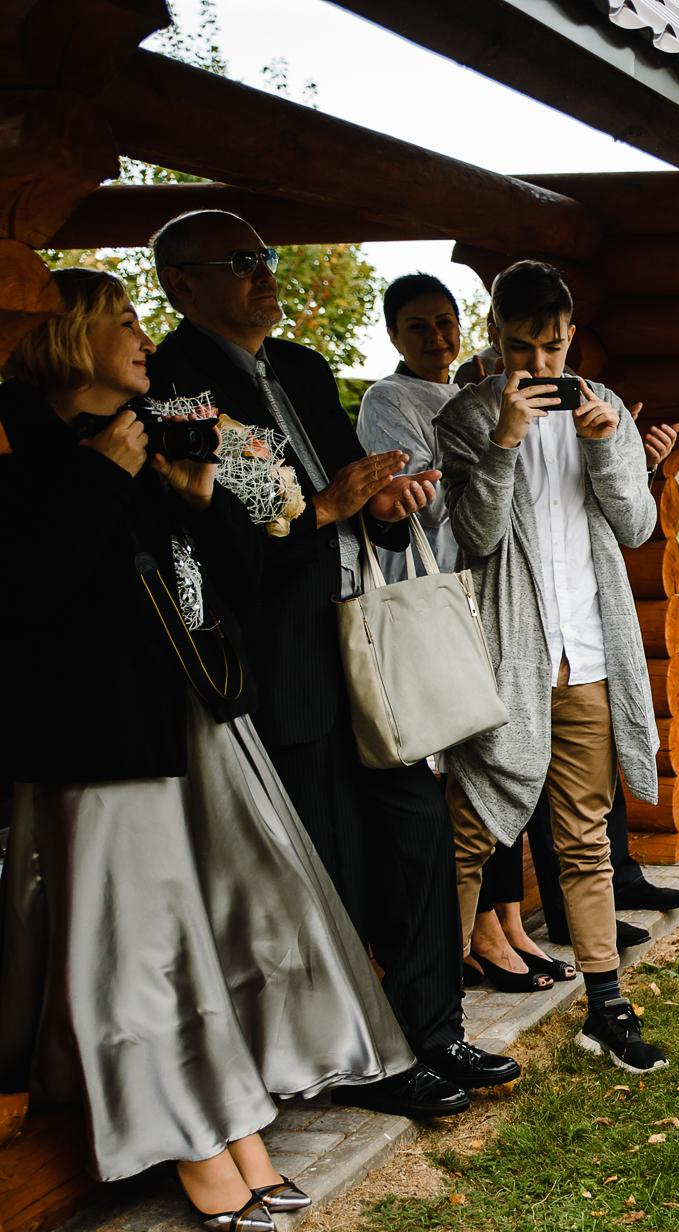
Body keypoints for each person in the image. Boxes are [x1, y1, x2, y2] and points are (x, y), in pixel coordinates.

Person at [0, 268, 414, 1232]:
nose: (145, 335)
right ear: (67, 340)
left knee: (201, 933)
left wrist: (187, 497)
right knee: (136, 951)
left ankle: (234, 1123)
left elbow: (210, 585)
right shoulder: (23, 446)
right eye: (124, 321)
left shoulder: (138, 445)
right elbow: (31, 597)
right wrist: (109, 473)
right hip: (91, 742)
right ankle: (190, 1137)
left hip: (178, 722)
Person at [145, 210, 506, 1117]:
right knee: (332, 858)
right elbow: (200, 540)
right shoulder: (172, 385)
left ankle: (435, 1027)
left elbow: (356, 485)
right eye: (238, 261)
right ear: (180, 284)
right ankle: (369, 1057)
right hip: (274, 650)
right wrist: (323, 511)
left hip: (363, 633)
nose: (263, 273)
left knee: (419, 826)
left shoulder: (302, 368)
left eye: (263, 255)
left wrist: (388, 502)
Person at [433, 260, 666, 1074]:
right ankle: (438, 1022)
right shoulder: (467, 415)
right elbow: (475, 537)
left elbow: (636, 525)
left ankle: (607, 1004)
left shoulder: (601, 409)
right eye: (525, 348)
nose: (541, 367)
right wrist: (504, 440)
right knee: (469, 833)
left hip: (591, 655)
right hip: (509, 658)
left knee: (585, 837)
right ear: (496, 337)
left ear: (572, 336)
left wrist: (605, 448)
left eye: (555, 346)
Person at [356, 272, 462, 582]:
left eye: (444, 322)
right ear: (393, 335)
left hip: (476, 577)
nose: (435, 335)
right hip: (423, 579)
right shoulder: (387, 397)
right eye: (417, 327)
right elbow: (430, 506)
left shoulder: (467, 394)